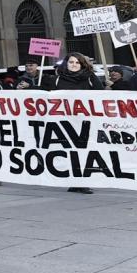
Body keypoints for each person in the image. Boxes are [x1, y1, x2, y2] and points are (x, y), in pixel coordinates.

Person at [46, 54, 103, 193]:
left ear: (83, 64)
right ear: (66, 64)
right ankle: (74, 181)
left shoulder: (90, 77)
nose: (74, 64)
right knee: (69, 150)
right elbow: (46, 95)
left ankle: (83, 181)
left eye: (77, 62)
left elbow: (102, 96)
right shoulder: (57, 78)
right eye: (71, 62)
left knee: (84, 150)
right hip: (65, 121)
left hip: (85, 120)